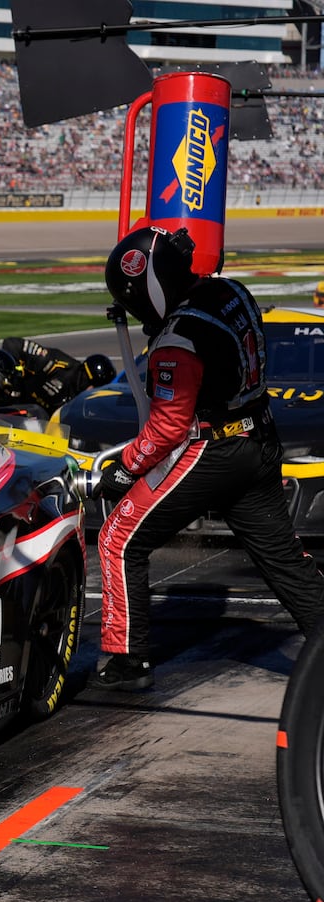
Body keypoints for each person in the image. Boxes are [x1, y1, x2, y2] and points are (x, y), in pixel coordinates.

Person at [94, 225, 324, 690]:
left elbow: (166, 429)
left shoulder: (178, 340)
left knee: (117, 538)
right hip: (260, 439)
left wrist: (123, 469)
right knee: (283, 560)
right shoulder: (233, 290)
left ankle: (127, 660)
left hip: (215, 450)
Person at [0, 339, 115, 415]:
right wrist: (14, 380)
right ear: (88, 380)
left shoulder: (81, 402)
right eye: (95, 389)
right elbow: (12, 344)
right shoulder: (56, 363)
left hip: (31, 419)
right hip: (7, 400)